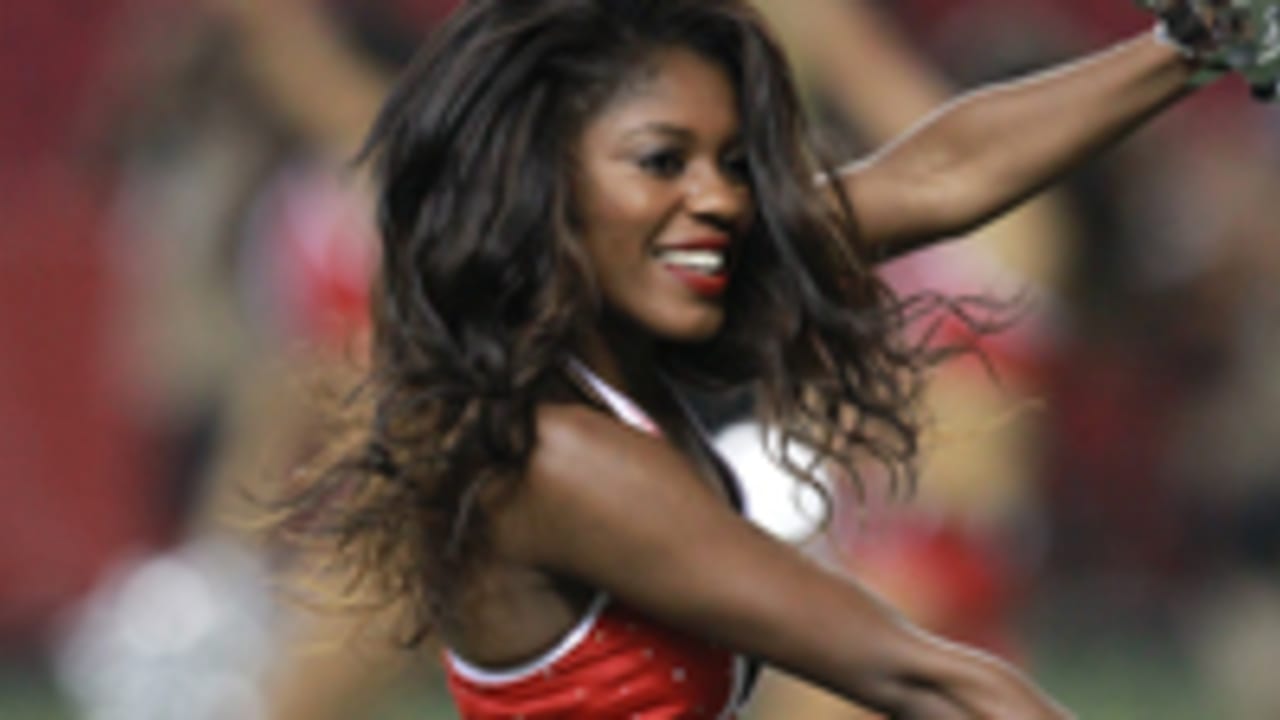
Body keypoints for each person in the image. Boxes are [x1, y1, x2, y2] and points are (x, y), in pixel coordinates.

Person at [263, 0, 1269, 717]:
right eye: (662, 162)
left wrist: (1199, 40)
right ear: (543, 190)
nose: (719, 197)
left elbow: (935, 173)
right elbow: (927, 681)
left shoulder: (613, 355)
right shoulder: (561, 460)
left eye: (734, 163)